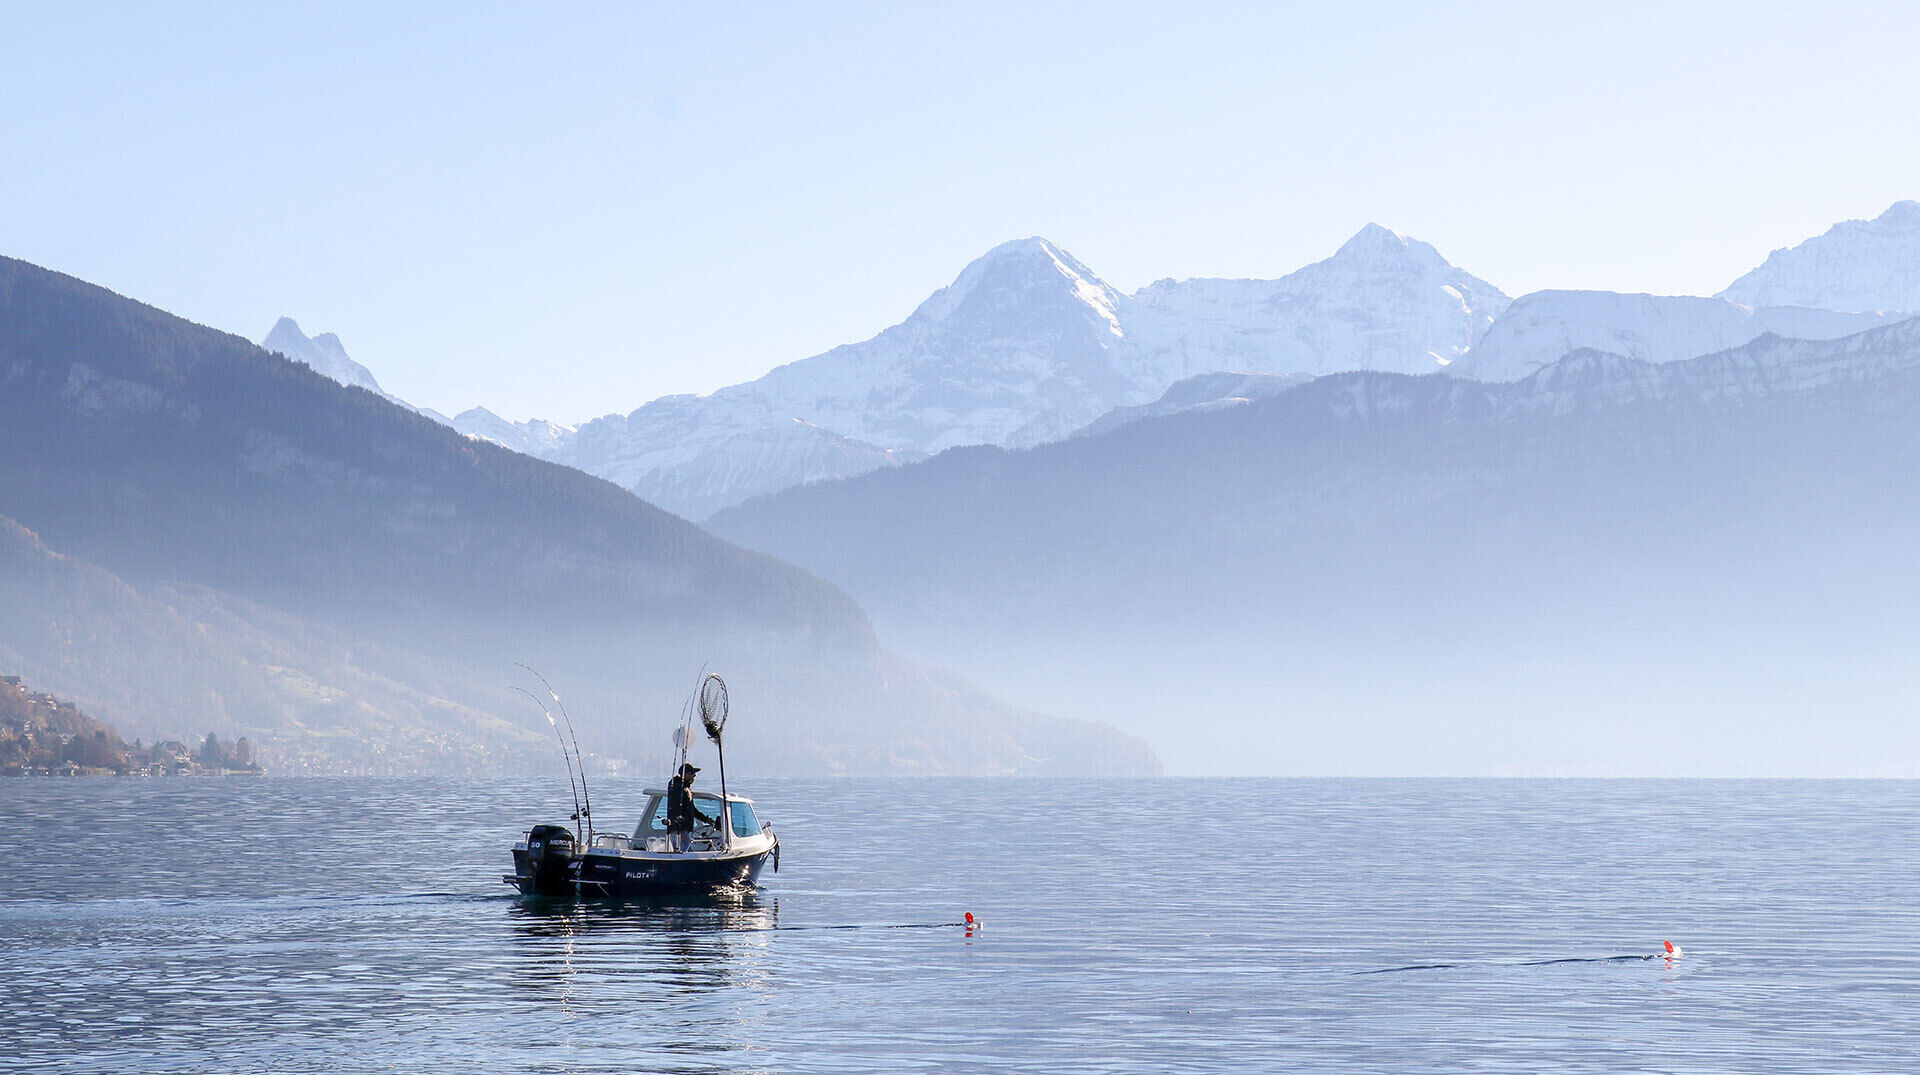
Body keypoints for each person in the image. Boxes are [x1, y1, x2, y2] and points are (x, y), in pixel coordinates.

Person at [665, 761, 717, 851]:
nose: (694, 776)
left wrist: (706, 820)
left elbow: (692, 809)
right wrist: (679, 828)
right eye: (692, 773)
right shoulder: (678, 788)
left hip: (684, 828)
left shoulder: (685, 789)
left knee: (686, 851)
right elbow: (674, 807)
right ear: (685, 774)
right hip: (680, 829)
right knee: (685, 852)